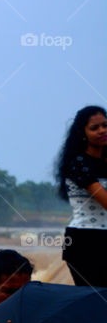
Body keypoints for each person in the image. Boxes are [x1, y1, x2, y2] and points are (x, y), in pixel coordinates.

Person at [54, 105, 107, 287]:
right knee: (95, 302)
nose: (102, 131)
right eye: (95, 128)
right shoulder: (78, 163)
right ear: (83, 133)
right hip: (85, 241)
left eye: (105, 125)